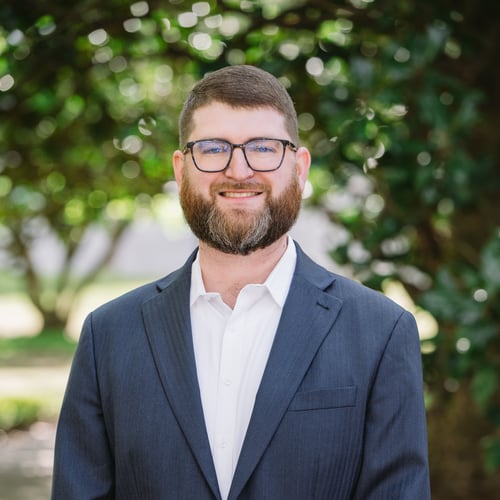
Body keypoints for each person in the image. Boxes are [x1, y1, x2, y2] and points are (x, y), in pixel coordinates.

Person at [51, 65, 431, 499]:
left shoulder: (382, 332)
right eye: (213, 148)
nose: (238, 169)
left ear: (300, 168)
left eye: (263, 148)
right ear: (180, 168)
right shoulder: (108, 336)